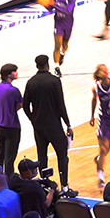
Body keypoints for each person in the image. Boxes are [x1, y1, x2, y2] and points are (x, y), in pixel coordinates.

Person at [23, 54, 71, 188]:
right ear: (47, 65)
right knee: (62, 156)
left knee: (42, 156)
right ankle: (65, 186)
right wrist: (68, 124)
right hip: (54, 125)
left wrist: (33, 119)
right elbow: (61, 105)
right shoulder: (54, 81)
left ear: (37, 65)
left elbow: (25, 105)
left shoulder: (31, 82)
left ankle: (45, 184)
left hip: (39, 126)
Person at [0, 62, 25, 175]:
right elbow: (20, 104)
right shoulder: (13, 90)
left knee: (0, 153)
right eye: (14, 71)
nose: (17, 73)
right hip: (12, 126)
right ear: (9, 75)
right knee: (10, 157)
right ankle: (9, 181)